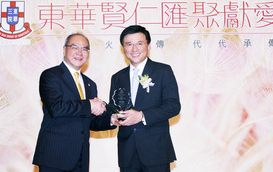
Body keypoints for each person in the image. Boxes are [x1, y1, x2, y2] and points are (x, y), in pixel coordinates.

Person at [33, 33, 115, 172]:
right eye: (75, 47)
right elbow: (56, 108)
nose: (80, 52)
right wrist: (89, 105)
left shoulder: (90, 84)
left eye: (84, 49)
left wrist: (111, 120)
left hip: (80, 158)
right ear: (64, 49)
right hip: (54, 157)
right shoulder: (51, 75)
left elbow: (90, 121)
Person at [110, 25, 181, 172]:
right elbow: (114, 106)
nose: (134, 49)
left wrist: (142, 116)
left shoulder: (163, 71)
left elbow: (173, 106)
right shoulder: (117, 77)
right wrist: (113, 117)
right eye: (129, 44)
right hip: (127, 152)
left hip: (156, 150)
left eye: (139, 43)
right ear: (123, 48)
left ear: (148, 45)